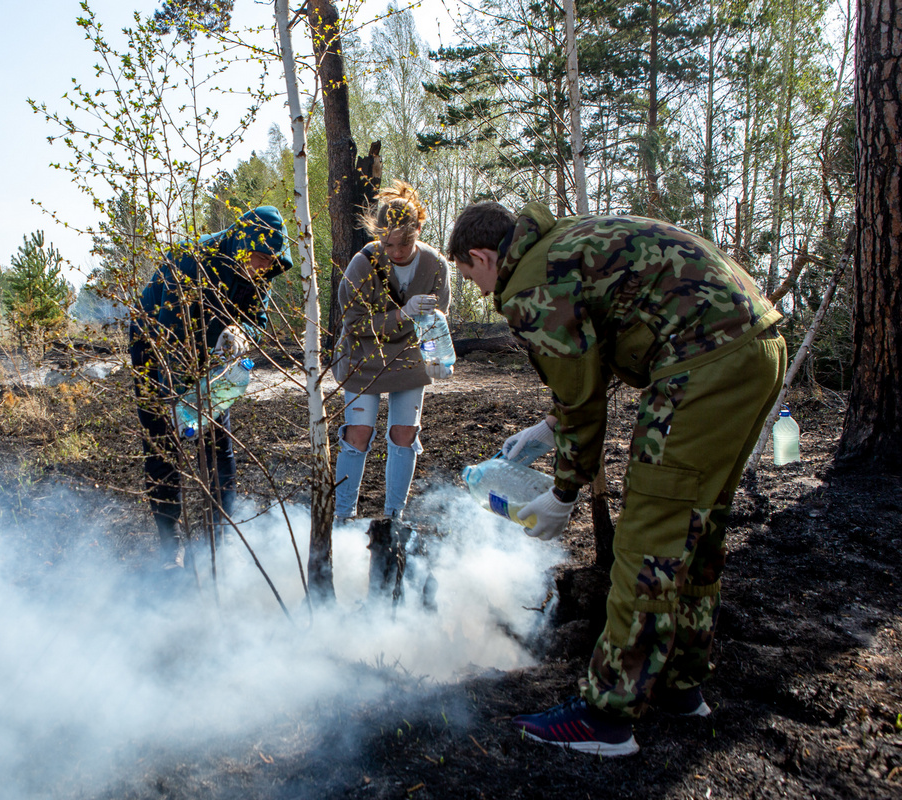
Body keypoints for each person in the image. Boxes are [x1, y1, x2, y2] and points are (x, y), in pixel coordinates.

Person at [447, 200, 786, 756]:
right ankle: (679, 685)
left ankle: (606, 715)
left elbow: (581, 397)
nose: (482, 293)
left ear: (483, 256)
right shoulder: (567, 243)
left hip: (703, 364)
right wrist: (545, 429)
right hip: (757, 346)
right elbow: (598, 347)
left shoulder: (530, 281)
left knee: (648, 538)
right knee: (697, 526)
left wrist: (562, 492)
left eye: (472, 277)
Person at [129, 207, 292, 567]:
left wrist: (241, 334)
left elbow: (257, 319)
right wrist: (177, 398)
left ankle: (217, 539)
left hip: (212, 357)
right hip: (155, 342)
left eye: (270, 261)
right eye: (260, 257)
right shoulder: (192, 262)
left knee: (218, 441)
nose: (264, 267)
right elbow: (169, 335)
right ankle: (169, 545)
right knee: (162, 442)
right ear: (242, 243)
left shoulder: (260, 273)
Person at [332, 181, 452, 522]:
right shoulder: (362, 263)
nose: (396, 252)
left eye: (405, 243)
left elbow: (435, 322)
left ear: (418, 231)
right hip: (363, 357)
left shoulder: (435, 266)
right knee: (358, 433)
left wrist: (437, 356)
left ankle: (394, 518)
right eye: (388, 244)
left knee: (405, 433)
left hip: (409, 359)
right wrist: (401, 313)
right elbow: (353, 322)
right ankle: (343, 517)